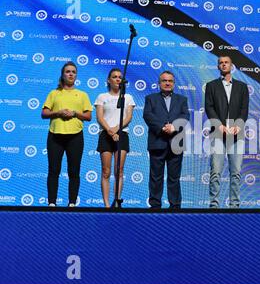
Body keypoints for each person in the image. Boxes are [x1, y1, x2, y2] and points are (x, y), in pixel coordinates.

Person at [41, 61, 93, 207]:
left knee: (74, 171)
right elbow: (44, 113)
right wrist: (58, 112)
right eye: (68, 72)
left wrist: (75, 113)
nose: (71, 74)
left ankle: (72, 203)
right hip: (55, 136)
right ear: (63, 75)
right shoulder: (54, 93)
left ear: (76, 76)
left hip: (75, 136)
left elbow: (88, 116)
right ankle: (51, 203)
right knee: (53, 170)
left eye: (73, 72)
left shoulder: (82, 94)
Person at [205, 55, 249, 208]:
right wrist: (218, 125)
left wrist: (238, 125)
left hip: (237, 134)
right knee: (216, 171)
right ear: (218, 67)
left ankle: (234, 205)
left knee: (236, 172)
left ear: (232, 66)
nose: (224, 65)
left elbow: (244, 109)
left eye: (226, 63)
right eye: (221, 63)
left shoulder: (242, 87)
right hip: (218, 133)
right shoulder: (211, 86)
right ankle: (214, 205)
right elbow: (209, 107)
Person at [143, 71, 190, 209]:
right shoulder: (150, 98)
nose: (167, 83)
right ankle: (155, 205)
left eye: (170, 81)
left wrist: (174, 126)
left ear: (174, 83)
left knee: (174, 177)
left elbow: (185, 115)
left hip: (176, 142)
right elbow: (148, 115)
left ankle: (175, 205)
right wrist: (163, 127)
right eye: (164, 81)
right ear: (159, 83)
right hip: (157, 142)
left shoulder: (182, 99)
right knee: (155, 177)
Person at [94, 68, 135, 208]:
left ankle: (116, 202)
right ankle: (106, 205)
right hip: (105, 134)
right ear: (108, 80)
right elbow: (99, 117)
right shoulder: (102, 97)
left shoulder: (127, 98)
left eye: (119, 77)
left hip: (122, 134)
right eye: (114, 77)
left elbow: (128, 117)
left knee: (119, 170)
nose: (118, 79)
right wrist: (110, 131)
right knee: (106, 171)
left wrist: (117, 129)